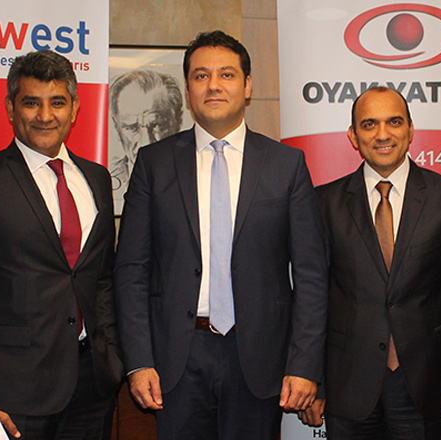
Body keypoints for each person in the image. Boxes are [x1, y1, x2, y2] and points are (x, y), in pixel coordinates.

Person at [114, 30, 328, 439]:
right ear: (188, 91)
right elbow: (131, 270)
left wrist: (304, 364)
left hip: (259, 359)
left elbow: (311, 275)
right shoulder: (153, 164)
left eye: (226, 74)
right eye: (201, 76)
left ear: (247, 86)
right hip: (176, 360)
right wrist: (138, 361)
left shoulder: (286, 165)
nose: (213, 85)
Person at [0, 50, 124, 440]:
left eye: (57, 102)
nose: (45, 115)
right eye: (31, 103)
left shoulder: (97, 179)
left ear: (75, 108)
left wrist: (113, 355)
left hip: (92, 386)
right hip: (12, 394)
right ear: (10, 108)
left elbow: (102, 279)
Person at [299, 87, 441, 440]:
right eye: (369, 124)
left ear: (411, 130)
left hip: (425, 385)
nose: (382, 134)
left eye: (394, 122)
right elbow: (312, 298)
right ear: (353, 136)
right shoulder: (324, 202)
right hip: (347, 386)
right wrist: (314, 380)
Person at [108, 69, 184, 193]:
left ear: (177, 121)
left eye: (157, 125)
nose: (146, 142)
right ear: (117, 127)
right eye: (131, 127)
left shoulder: (197, 174)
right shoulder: (104, 182)